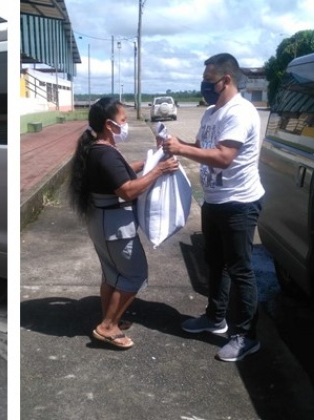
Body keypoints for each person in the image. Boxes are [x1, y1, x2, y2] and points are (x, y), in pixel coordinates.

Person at [161, 53, 265, 362]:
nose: (205, 86)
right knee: (215, 262)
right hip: (215, 201)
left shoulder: (240, 113)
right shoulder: (211, 112)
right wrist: (175, 142)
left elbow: (222, 157)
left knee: (241, 269)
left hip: (240, 203)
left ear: (227, 80)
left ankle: (246, 336)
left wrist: (183, 150)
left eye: (209, 81)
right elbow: (201, 145)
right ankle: (215, 318)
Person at [67, 97, 179, 349]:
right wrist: (159, 171)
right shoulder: (105, 153)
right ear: (109, 124)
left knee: (112, 274)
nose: (125, 125)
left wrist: (153, 162)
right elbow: (127, 190)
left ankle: (110, 317)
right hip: (114, 227)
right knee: (134, 275)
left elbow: (124, 170)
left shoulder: (99, 149)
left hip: (103, 223)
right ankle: (107, 327)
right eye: (123, 120)